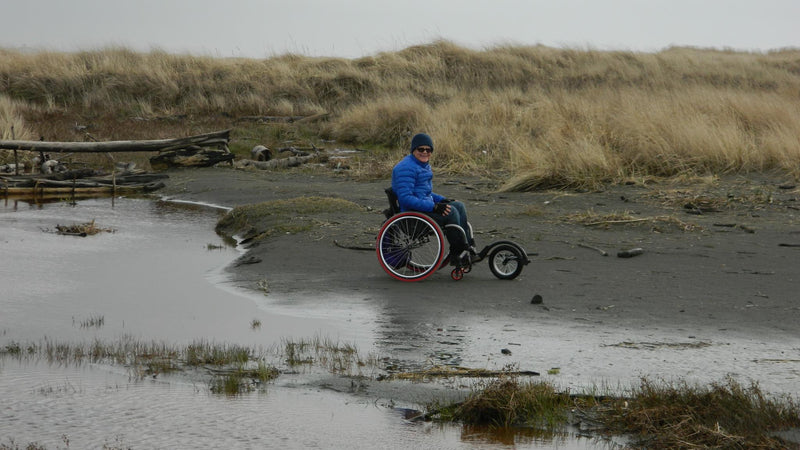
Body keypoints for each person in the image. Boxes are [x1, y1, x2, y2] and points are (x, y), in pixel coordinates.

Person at [391, 133, 476, 265]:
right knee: (451, 212)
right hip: (412, 215)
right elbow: (405, 199)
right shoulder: (405, 168)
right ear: (413, 150)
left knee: (458, 205)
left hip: (423, 208)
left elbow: (426, 192)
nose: (425, 152)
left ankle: (468, 248)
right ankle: (457, 252)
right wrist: (434, 207)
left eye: (428, 150)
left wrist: (443, 200)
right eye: (421, 149)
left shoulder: (423, 166)